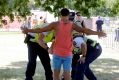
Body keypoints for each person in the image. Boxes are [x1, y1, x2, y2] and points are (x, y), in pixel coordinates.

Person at [21, 8, 106, 80]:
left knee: (53, 66)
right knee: (37, 64)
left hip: (63, 52)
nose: (66, 20)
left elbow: (84, 31)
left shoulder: (70, 27)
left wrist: (97, 33)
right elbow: (40, 34)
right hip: (40, 45)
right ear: (61, 16)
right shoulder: (53, 26)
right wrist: (29, 31)